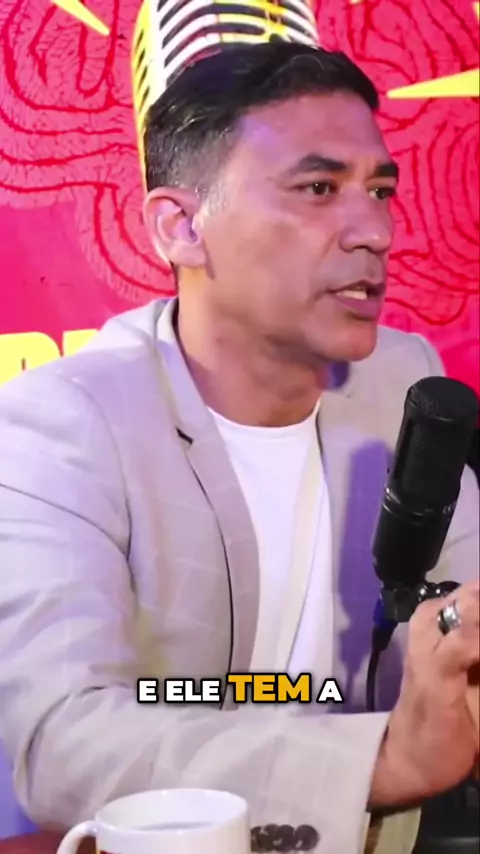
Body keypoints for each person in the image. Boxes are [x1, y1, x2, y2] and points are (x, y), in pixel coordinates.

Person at [0, 43, 478, 854]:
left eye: (381, 190)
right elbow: (63, 743)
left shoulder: (403, 380)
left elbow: (459, 624)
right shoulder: (60, 425)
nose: (375, 231)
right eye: (319, 188)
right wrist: (384, 759)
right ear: (181, 227)